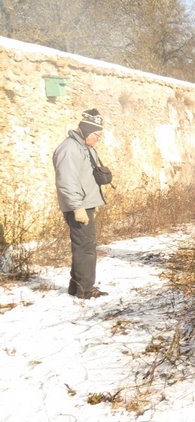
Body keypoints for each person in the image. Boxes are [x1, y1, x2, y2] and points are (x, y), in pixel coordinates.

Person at [52, 109, 108, 299]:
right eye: (96, 135)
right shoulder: (69, 149)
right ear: (85, 131)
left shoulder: (85, 148)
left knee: (82, 246)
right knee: (85, 248)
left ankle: (75, 287)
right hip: (79, 206)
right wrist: (77, 207)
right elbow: (67, 181)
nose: (98, 139)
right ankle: (85, 290)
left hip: (86, 204)